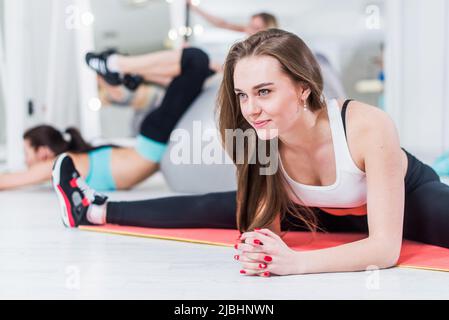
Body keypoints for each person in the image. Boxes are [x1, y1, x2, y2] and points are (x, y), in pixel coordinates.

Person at [53, 29, 449, 278]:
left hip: (406, 199)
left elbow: (384, 249)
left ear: (303, 88)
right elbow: (265, 231)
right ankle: (94, 208)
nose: (250, 108)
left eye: (264, 92)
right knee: (217, 206)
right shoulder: (257, 135)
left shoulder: (366, 125)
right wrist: (260, 245)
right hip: (325, 215)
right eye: (242, 95)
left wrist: (296, 263)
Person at [1, 47, 213, 191]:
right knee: (199, 68)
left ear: (42, 150)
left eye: (26, 152)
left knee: (196, 60)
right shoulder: (69, 161)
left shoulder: (59, 162)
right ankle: (129, 71)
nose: (25, 160)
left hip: (153, 139)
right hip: (154, 141)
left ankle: (115, 64)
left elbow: (10, 181)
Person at [188, 0, 278, 35]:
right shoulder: (247, 30)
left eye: (257, 28)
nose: (250, 30)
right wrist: (194, 8)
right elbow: (222, 23)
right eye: (250, 25)